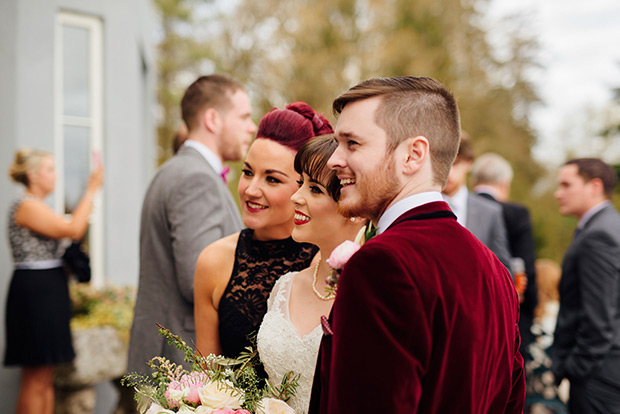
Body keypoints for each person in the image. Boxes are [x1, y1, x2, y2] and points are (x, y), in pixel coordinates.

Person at [309, 76, 525, 413]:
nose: (335, 160)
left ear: (413, 155)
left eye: (352, 144)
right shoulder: (494, 269)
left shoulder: (381, 264)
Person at [128, 74, 257, 375]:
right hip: (181, 357)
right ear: (212, 119)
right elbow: (196, 277)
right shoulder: (196, 179)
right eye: (244, 117)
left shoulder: (174, 171)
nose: (252, 127)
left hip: (165, 350)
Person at [194, 102, 332, 359]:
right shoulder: (213, 261)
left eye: (272, 179)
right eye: (248, 172)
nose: (250, 190)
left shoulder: (329, 263)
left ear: (303, 187)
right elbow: (205, 380)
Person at [256, 135, 365, 413]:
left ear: (353, 208)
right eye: (300, 183)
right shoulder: (285, 285)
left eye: (314, 189)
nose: (296, 197)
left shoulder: (370, 293)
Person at [4, 148, 103, 414]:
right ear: (33, 175)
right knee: (35, 377)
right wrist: (92, 189)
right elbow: (73, 229)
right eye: (49, 169)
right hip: (36, 294)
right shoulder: (25, 206)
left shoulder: (39, 207)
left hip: (49, 290)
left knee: (47, 377)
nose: (56, 175)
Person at [552, 158, 620, 414]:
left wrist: (576, 369)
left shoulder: (598, 235)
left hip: (598, 377)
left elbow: (599, 316)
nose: (558, 194)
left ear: (595, 186)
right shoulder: (605, 227)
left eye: (566, 185)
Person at [471, 152, 537, 358]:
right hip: (507, 318)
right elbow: (526, 267)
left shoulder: (457, 209)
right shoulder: (516, 214)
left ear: (474, 181)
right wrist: (531, 308)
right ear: (505, 183)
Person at [442, 137, 512, 270]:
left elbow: (504, 269)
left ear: (469, 163)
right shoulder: (419, 205)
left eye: (455, 163)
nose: (448, 172)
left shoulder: (490, 212)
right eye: (444, 163)